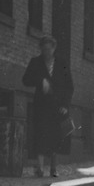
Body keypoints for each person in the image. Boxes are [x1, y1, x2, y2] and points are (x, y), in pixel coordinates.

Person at [22, 35, 73, 177]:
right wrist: (40, 81)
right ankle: (39, 168)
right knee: (40, 134)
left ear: (54, 48)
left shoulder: (62, 63)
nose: (46, 52)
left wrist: (65, 105)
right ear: (41, 49)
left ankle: (53, 168)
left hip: (57, 106)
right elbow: (25, 80)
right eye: (44, 49)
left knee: (55, 136)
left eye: (49, 49)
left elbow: (69, 86)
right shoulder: (35, 62)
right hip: (41, 105)